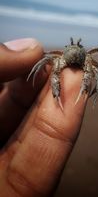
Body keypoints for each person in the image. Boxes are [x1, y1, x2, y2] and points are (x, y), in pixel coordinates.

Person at [0, 38, 87, 197]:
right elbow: (45, 59)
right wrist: (35, 67)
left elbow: (97, 70)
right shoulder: (61, 57)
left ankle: (78, 94)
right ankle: (57, 96)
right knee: (47, 64)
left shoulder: (83, 59)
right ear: (66, 49)